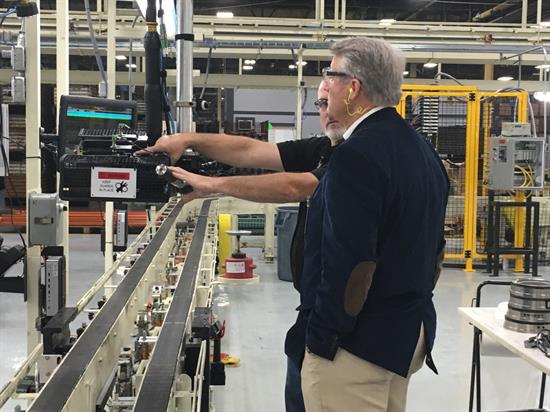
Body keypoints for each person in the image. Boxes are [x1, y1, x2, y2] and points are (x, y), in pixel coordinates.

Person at [140, 81, 345, 412]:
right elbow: (249, 150)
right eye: (320, 103)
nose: (326, 111)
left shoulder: (355, 156)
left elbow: (296, 187)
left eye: (331, 100)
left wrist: (212, 185)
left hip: (342, 320)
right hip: (313, 309)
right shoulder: (324, 147)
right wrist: (187, 139)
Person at [297, 37, 450, 412]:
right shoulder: (421, 149)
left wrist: (322, 338)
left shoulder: (356, 155)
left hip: (356, 348)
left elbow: (350, 264)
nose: (325, 86)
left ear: (353, 88)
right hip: (404, 333)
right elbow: (435, 252)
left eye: (330, 75)